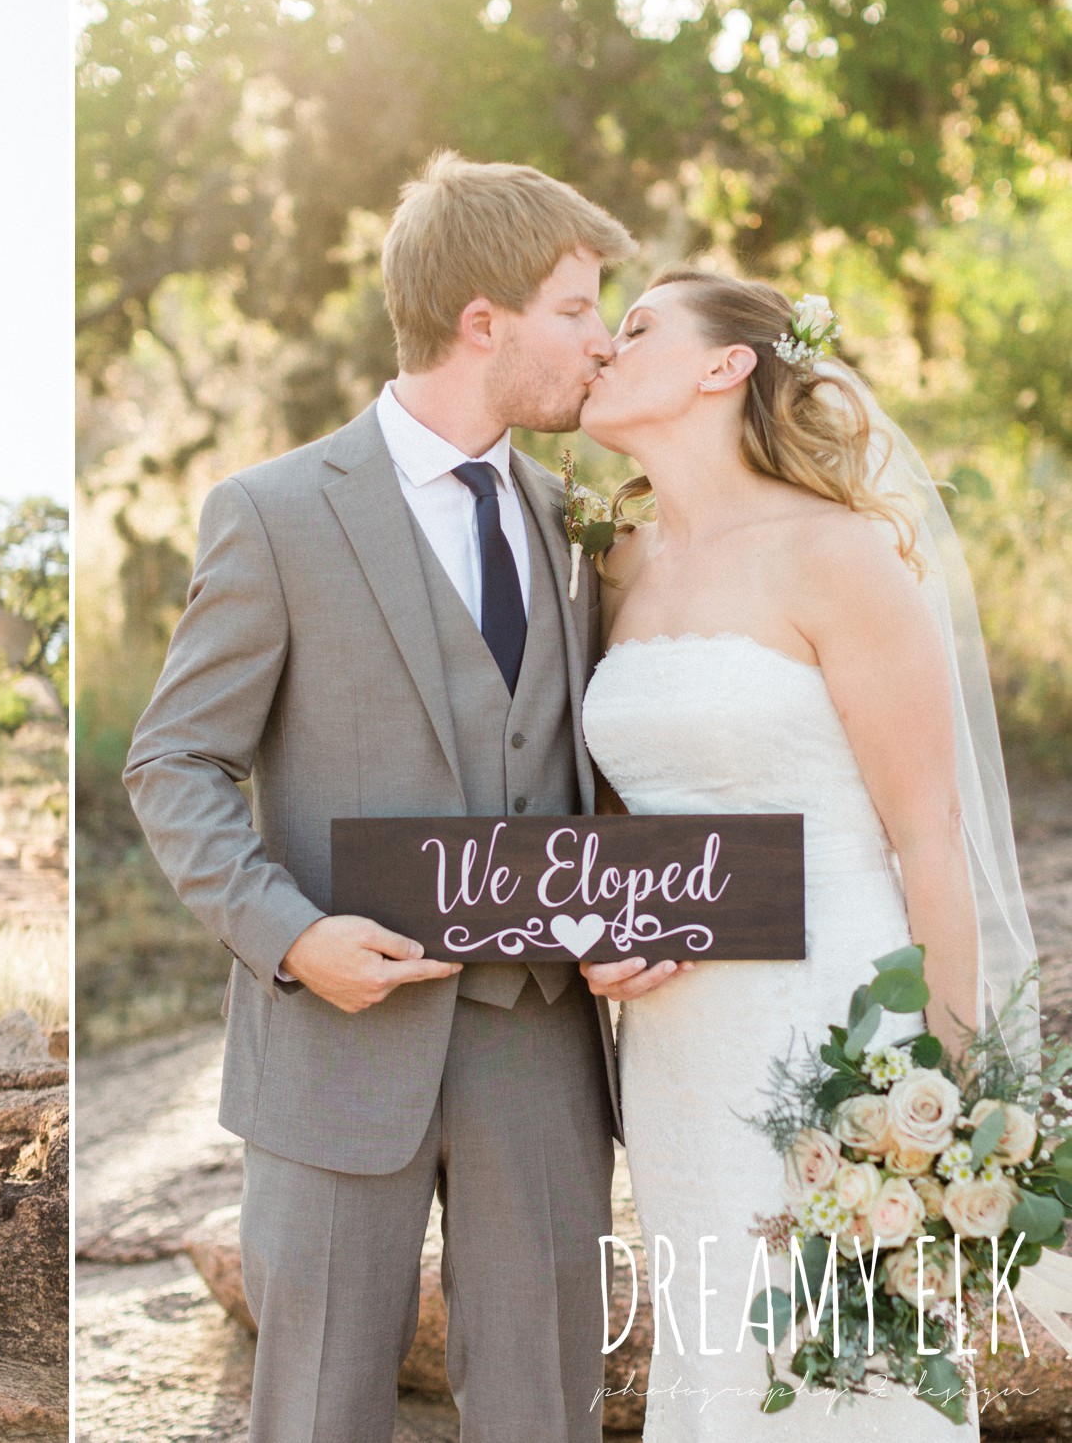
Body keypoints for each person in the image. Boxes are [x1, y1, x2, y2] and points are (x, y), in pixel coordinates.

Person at [124, 150, 635, 1443]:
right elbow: (171, 760)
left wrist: (642, 904)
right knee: (317, 1412)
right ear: (485, 319)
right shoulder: (275, 512)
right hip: (339, 1045)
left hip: (542, 1041)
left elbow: (602, 766)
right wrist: (289, 935)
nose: (601, 343)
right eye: (577, 309)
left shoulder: (577, 517)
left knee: (547, 1410)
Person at [576, 270, 1044, 1437]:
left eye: (634, 329)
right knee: (720, 1352)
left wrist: (942, 1094)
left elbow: (925, 836)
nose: (601, 347)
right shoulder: (614, 560)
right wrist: (604, 931)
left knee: (838, 1364)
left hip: (835, 1019)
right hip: (676, 1041)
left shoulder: (837, 554)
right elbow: (624, 821)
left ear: (723, 366)